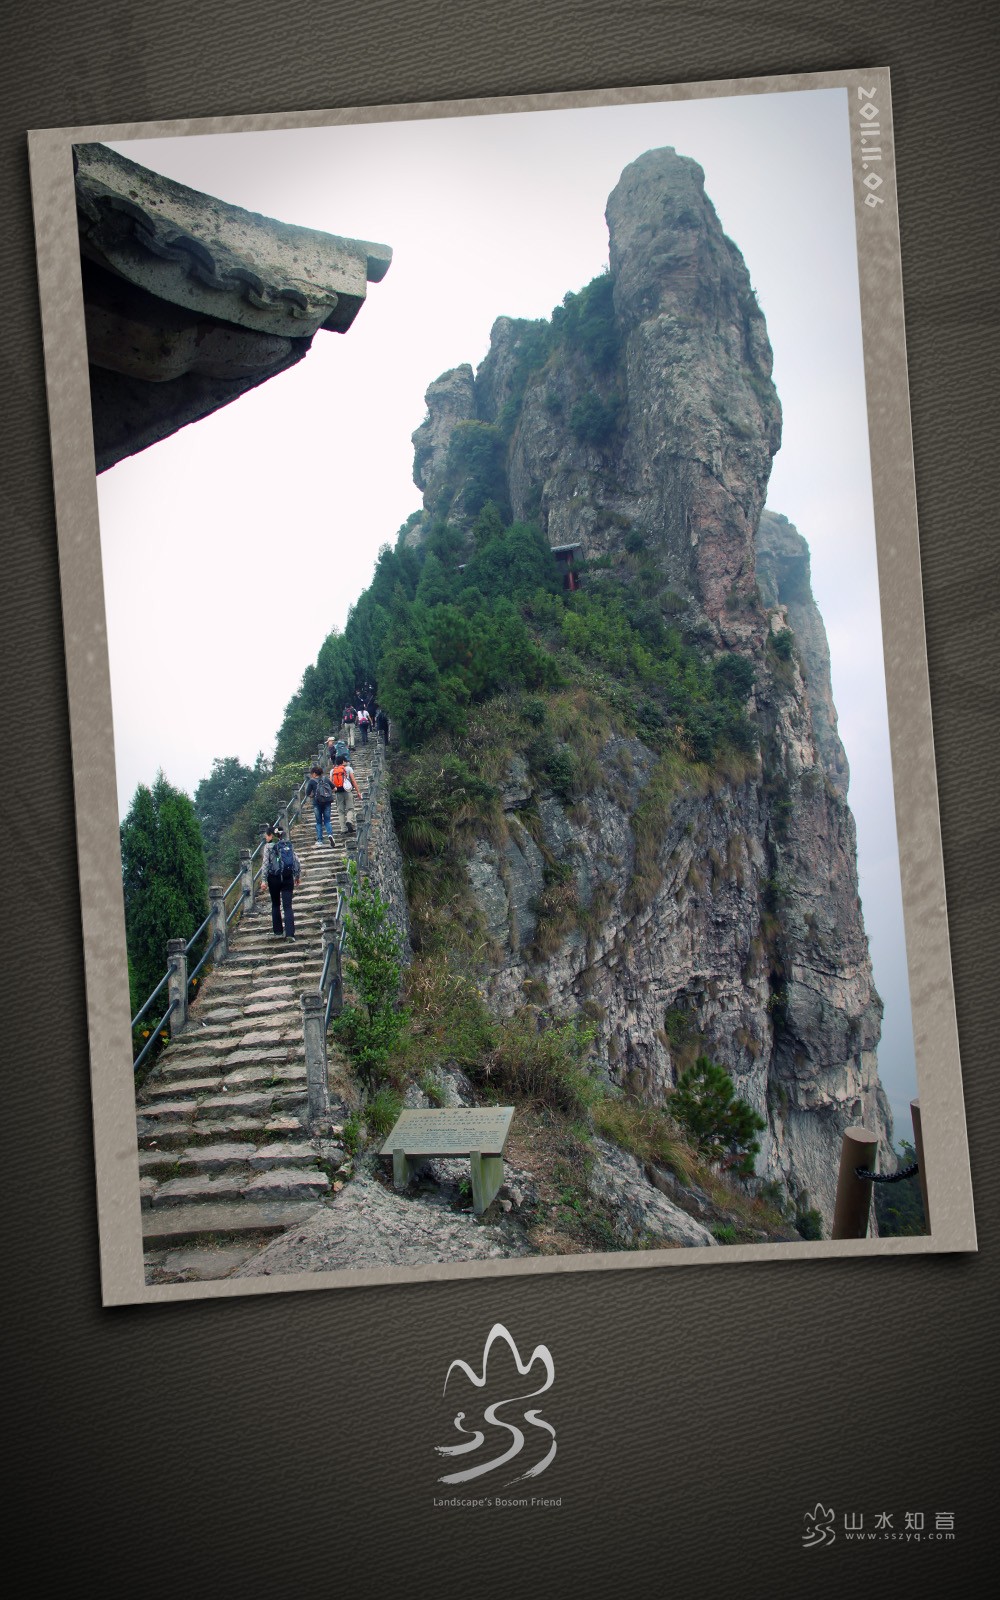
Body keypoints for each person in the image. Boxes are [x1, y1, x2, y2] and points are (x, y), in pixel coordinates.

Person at [259, 823, 300, 939]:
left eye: (267, 835)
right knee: (288, 906)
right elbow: (296, 860)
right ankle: (290, 934)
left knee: (276, 904)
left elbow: (265, 864)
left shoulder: (268, 847)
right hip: (287, 877)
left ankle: (278, 932)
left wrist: (263, 880)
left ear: (271, 835)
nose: (266, 837)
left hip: (274, 878)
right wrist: (297, 876)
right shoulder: (287, 844)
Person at [331, 753, 363, 834]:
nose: (346, 762)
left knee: (340, 811)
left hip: (338, 792)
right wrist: (358, 792)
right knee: (350, 808)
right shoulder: (348, 769)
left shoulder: (332, 771)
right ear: (343, 762)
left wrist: (333, 791)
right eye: (345, 761)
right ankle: (349, 821)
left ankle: (343, 829)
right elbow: (353, 781)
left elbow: (331, 783)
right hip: (348, 791)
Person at [304, 763, 334, 846]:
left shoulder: (312, 781)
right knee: (327, 821)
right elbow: (334, 788)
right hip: (327, 802)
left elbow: (307, 793)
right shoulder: (325, 779)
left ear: (314, 773)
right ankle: (330, 835)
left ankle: (320, 840)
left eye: (311, 774)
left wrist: (313, 795)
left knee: (319, 822)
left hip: (317, 803)